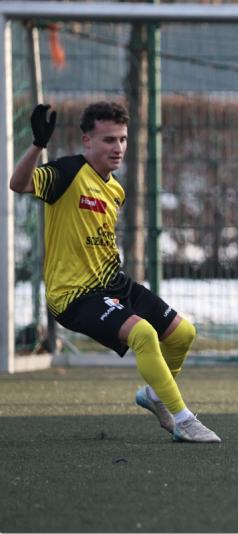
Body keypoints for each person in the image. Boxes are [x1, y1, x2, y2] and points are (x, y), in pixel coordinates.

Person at [9, 102, 220, 443]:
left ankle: (153, 395)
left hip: (113, 283)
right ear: (87, 141)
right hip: (73, 295)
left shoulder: (115, 189)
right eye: (109, 140)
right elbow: (18, 184)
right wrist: (38, 145)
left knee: (183, 335)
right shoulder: (66, 173)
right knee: (144, 335)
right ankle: (183, 420)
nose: (118, 148)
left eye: (122, 139)